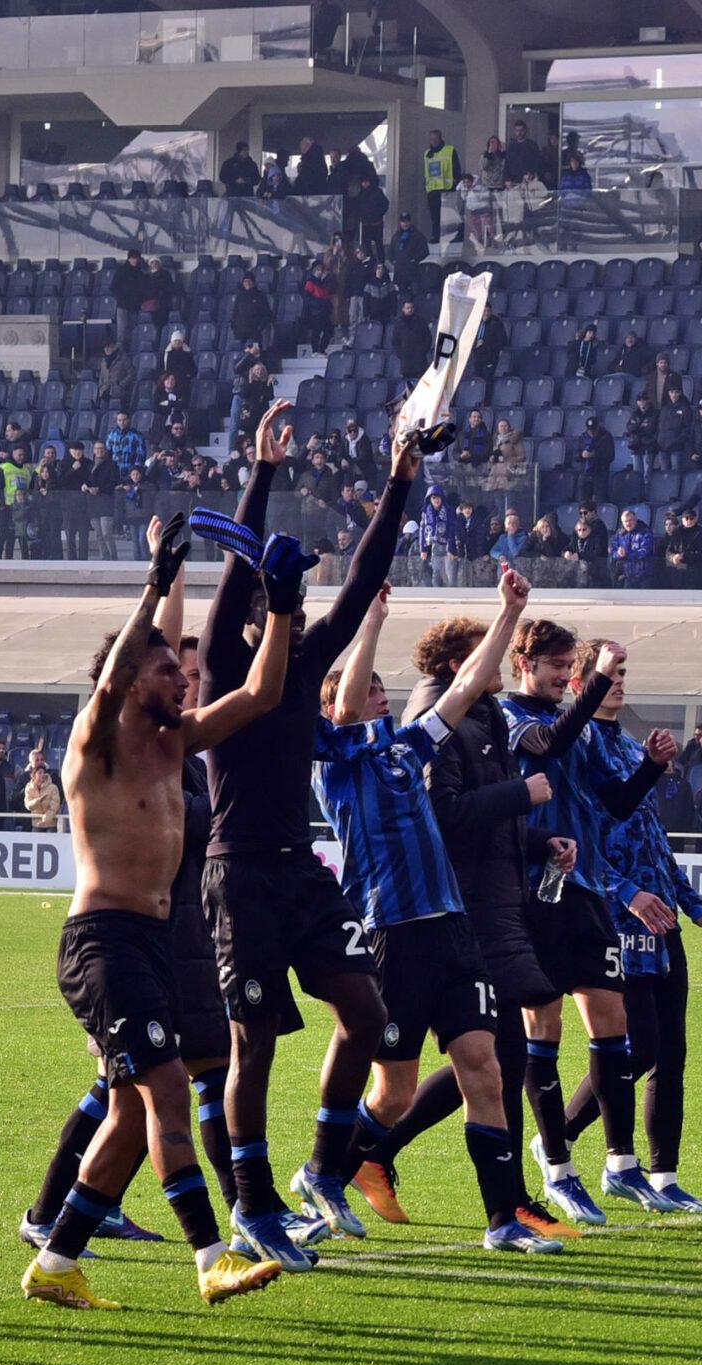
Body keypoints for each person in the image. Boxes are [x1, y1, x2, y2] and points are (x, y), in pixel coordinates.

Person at [21, 513, 303, 1312]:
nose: (184, 681)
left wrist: (280, 605)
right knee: (169, 1093)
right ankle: (211, 1257)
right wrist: (157, 579)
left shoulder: (178, 742)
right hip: (102, 943)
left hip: (147, 943)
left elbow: (264, 692)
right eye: (167, 672)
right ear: (129, 678)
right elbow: (114, 675)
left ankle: (55, 1262)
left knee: (122, 1118)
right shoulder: (96, 740)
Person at [196, 403, 413, 1267]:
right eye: (264, 601)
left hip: (300, 870)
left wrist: (399, 480)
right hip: (239, 871)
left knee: (365, 1009)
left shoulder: (307, 659)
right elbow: (232, 574)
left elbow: (363, 580)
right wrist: (261, 472)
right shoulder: (221, 666)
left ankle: (322, 1169)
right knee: (255, 1045)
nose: (279, 611)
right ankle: (251, 1204)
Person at [311, 571, 562, 1252]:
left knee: (484, 1064)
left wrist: (509, 613)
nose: (379, 692)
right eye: (366, 689)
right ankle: (325, 1170)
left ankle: (502, 1219)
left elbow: (463, 687)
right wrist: (368, 624)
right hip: (395, 935)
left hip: (453, 929)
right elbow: (341, 714)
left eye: (379, 685)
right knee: (392, 1094)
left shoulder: (406, 747)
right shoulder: (338, 766)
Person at [548, 638, 702, 1211]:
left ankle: (664, 1179)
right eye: (610, 673)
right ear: (582, 683)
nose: (621, 682)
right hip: (616, 915)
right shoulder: (574, 748)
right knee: (639, 1046)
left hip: (662, 918)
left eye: (625, 672)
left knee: (671, 1052)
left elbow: (651, 836)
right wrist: (625, 894)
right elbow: (586, 837)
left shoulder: (630, 746)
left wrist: (691, 902)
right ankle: (559, 1138)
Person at [504, 617, 675, 1222]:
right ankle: (557, 1167)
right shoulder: (507, 715)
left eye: (566, 667)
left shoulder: (576, 727)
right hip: (530, 889)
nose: (561, 677)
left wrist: (650, 767)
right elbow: (547, 745)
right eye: (554, 666)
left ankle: (622, 1165)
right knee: (542, 1026)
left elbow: (616, 803)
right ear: (524, 663)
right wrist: (596, 683)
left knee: (615, 1019)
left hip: (584, 887)